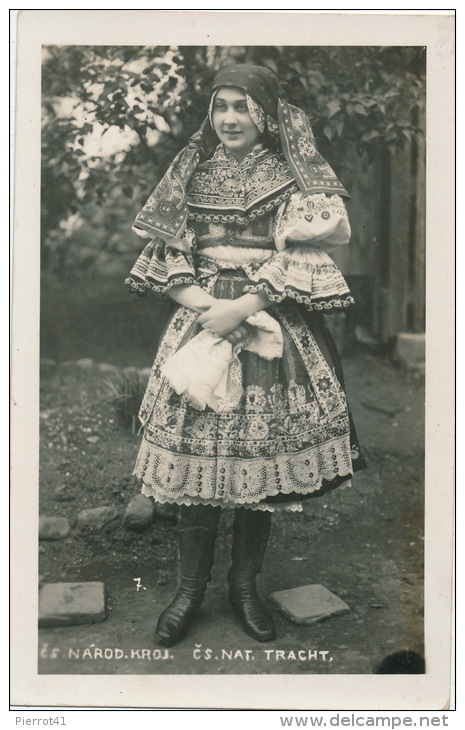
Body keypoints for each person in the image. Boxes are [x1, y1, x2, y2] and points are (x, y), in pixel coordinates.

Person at [125, 63, 366, 647]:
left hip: (267, 324)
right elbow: (169, 261)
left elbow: (302, 261)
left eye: (242, 107)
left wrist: (242, 310)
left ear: (264, 115)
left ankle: (244, 585)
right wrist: (207, 306)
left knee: (256, 467)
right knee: (198, 456)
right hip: (201, 319)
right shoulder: (194, 175)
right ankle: (188, 591)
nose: (230, 118)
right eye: (220, 107)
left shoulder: (291, 180)